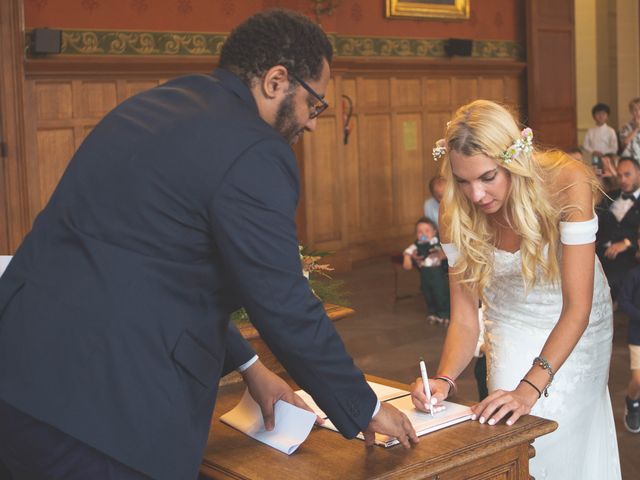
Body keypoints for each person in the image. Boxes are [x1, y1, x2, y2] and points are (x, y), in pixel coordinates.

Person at [0, 10, 417, 480]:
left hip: (17, 381)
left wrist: (251, 366)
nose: (312, 123)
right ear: (277, 81)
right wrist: (362, 407)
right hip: (106, 413)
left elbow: (158, 270)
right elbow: (282, 301)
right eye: (314, 103)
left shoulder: (149, 107)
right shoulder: (255, 149)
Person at [411, 100, 621, 479]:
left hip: (577, 320)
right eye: (462, 180)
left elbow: (577, 307)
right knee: (509, 427)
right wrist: (443, 380)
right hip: (507, 319)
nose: (475, 195)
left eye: (488, 177)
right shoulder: (454, 209)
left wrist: (529, 389)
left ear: (513, 161)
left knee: (559, 432)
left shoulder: (565, 183)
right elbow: (464, 319)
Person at [596, 157, 640, 299]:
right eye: (619, 175)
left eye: (627, 175)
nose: (623, 180)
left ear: (638, 173)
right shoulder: (610, 196)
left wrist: (627, 243)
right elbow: (596, 220)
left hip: (628, 255)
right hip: (600, 251)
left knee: (611, 281)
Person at [402, 217, 450, 324]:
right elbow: (408, 251)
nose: (423, 233)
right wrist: (407, 258)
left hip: (437, 272)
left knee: (440, 293)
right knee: (427, 293)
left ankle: (444, 314)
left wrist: (441, 253)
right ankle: (432, 313)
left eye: (427, 231)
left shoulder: (437, 242)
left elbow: (445, 252)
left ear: (434, 232)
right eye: (419, 232)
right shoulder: (417, 244)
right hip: (425, 273)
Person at [617, 231, 640, 433]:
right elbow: (623, 302)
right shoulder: (633, 275)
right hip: (638, 335)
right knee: (638, 379)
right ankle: (632, 402)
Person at [620, 97, 640, 162]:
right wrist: (636, 128)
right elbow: (624, 143)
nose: (638, 112)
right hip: (629, 161)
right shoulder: (625, 127)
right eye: (635, 110)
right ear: (631, 112)